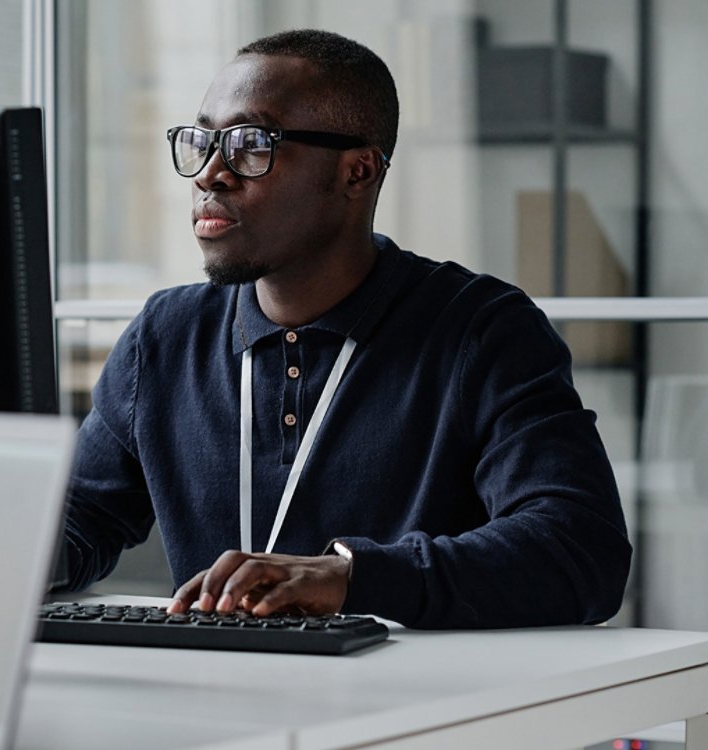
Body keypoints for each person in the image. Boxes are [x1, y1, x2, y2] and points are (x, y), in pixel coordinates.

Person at [61, 29, 632, 629]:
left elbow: (580, 550)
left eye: (251, 144)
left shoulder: (481, 331)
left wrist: (352, 578)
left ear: (357, 173)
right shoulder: (166, 336)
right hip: (219, 703)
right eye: (203, 141)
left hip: (414, 711)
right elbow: (76, 525)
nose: (211, 173)